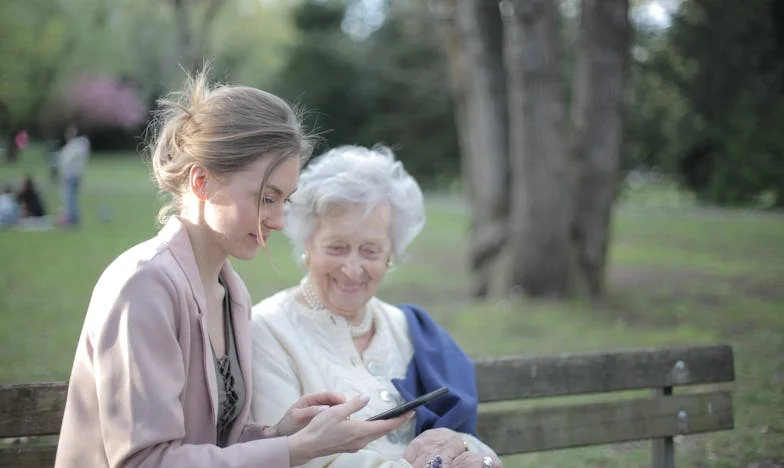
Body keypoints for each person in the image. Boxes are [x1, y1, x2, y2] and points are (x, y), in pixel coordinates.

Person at [54, 72, 412, 468]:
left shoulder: (231, 290)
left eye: (284, 201)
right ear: (202, 182)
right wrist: (293, 450)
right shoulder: (143, 285)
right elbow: (145, 461)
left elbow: (212, 440)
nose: (278, 221)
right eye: (266, 198)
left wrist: (281, 433)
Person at [250, 146, 503, 468]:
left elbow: (476, 447)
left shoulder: (410, 329)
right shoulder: (267, 330)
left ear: (390, 255)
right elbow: (292, 457)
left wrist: (463, 448)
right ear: (308, 245)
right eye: (337, 248)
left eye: (370, 251)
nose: (352, 269)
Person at [57, 123, 91, 226]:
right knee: (70, 198)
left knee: (70, 198)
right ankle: (72, 218)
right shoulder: (76, 146)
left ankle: (72, 219)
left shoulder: (76, 146)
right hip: (72, 175)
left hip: (71, 175)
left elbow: (68, 160)